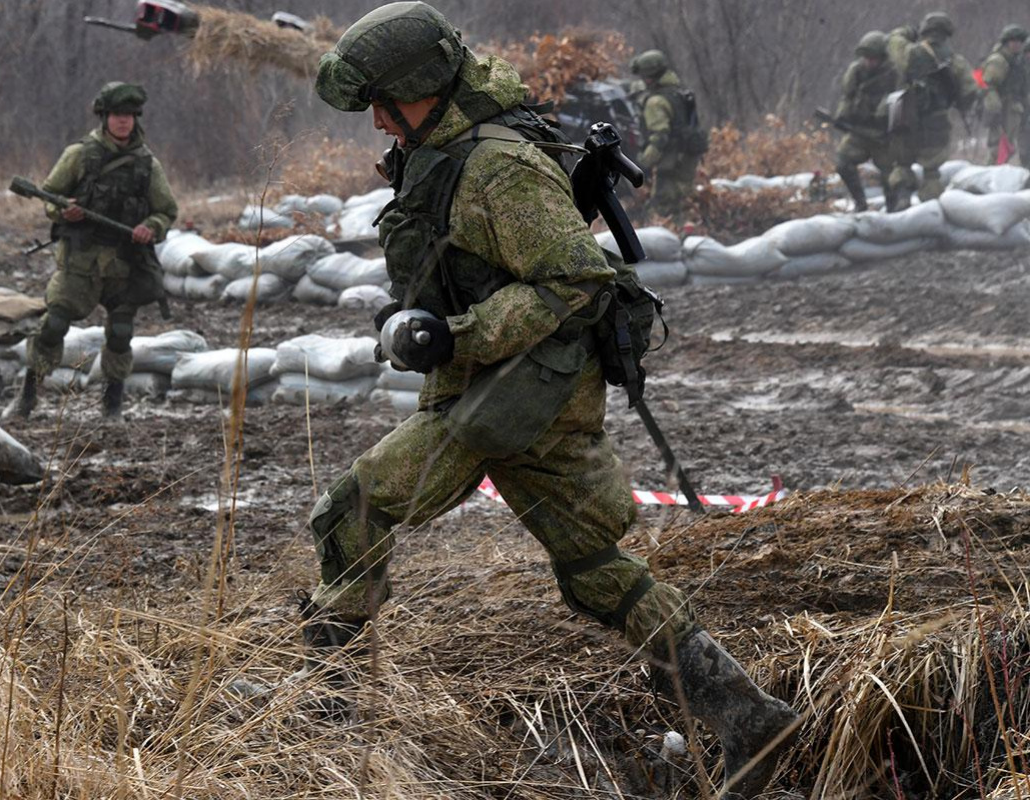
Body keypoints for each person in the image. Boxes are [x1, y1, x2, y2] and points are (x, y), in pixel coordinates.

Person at [306, 3, 798, 797]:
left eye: (382, 104)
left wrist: (453, 335)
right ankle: (749, 716)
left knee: (353, 507)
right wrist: (418, 318)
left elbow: (574, 278)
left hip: (512, 397)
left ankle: (317, 710)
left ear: (421, 88)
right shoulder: (443, 149)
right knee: (596, 570)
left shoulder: (499, 166)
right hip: (519, 391)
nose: (374, 123)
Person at [14, 82, 178, 420]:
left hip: (124, 264)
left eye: (130, 116)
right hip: (81, 261)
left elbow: (166, 210)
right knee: (53, 325)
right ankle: (27, 398)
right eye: (118, 115)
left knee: (120, 333)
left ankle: (111, 406)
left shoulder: (147, 164)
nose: (123, 122)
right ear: (105, 117)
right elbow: (50, 196)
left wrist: (151, 227)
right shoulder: (79, 155)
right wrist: (64, 211)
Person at [889, 12, 979, 208]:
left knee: (902, 164)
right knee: (931, 172)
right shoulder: (956, 61)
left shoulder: (909, 53)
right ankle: (930, 212)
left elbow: (893, 42)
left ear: (925, 31)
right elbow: (970, 91)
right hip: (936, 120)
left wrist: (905, 31)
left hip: (905, 117)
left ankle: (902, 198)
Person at [629, 49, 707, 217]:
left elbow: (660, 138)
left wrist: (642, 165)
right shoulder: (678, 93)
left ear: (649, 76)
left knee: (663, 207)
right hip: (686, 157)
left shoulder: (656, 102)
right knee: (681, 202)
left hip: (672, 162)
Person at [834, 31, 901, 211]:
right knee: (842, 162)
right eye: (866, 58)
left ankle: (893, 211)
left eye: (873, 58)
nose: (868, 62)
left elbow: (899, 104)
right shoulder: (856, 72)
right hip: (859, 132)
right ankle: (860, 203)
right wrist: (842, 116)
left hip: (883, 137)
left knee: (890, 177)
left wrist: (893, 130)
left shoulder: (893, 74)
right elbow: (848, 97)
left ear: (882, 57)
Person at [980, 24, 1029, 165]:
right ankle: (989, 177)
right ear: (1006, 42)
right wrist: (994, 105)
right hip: (1002, 109)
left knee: (1007, 147)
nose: (1018, 45)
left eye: (1020, 41)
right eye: (1014, 41)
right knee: (998, 148)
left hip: (1013, 109)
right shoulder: (999, 60)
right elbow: (987, 84)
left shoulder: (1016, 61)